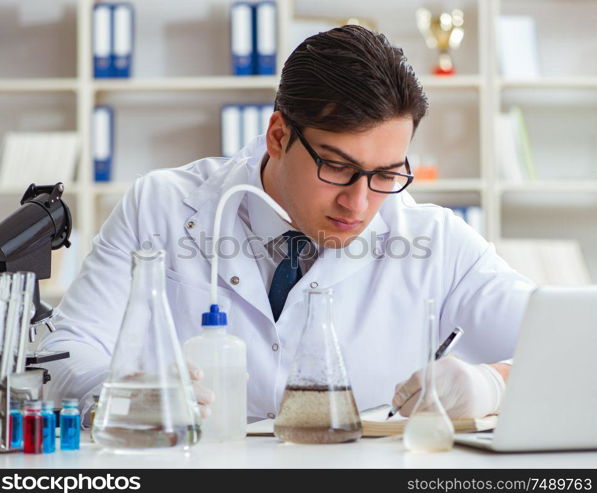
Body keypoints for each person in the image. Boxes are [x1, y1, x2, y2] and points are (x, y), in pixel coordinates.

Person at [40, 25, 533, 422]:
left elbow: (578, 349)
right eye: (337, 167)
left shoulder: (436, 241)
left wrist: (493, 384)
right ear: (278, 136)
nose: (358, 203)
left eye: (385, 174)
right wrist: (121, 391)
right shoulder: (161, 206)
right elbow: (64, 353)